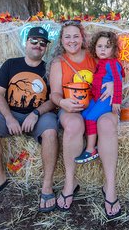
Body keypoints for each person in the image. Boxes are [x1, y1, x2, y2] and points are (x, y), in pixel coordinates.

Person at [0, 26, 58, 213]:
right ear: (26, 42)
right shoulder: (10, 64)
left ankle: (47, 186)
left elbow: (54, 100)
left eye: (42, 43)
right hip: (11, 112)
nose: (38, 45)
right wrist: (8, 118)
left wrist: (36, 113)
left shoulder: (50, 69)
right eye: (34, 41)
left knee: (51, 133)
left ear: (46, 47)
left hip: (39, 114)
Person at [49, 21, 122, 219]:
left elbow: (115, 70)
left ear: (82, 37)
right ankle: (70, 182)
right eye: (67, 37)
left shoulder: (94, 55)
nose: (72, 40)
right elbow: (54, 94)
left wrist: (114, 86)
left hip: (100, 105)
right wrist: (63, 103)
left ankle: (110, 186)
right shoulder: (59, 63)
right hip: (72, 107)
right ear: (61, 40)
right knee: (73, 125)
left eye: (75, 36)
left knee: (106, 124)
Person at [75, 31, 124, 164]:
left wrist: (116, 101)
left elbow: (118, 81)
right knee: (84, 113)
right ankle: (95, 140)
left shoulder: (112, 64)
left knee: (91, 118)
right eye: (99, 46)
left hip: (106, 99)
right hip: (97, 98)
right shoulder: (101, 63)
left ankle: (91, 149)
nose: (103, 49)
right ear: (94, 48)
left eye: (107, 47)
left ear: (113, 49)